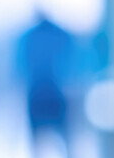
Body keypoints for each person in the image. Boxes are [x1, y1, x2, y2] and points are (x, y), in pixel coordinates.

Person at [16, 12, 76, 140]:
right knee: (62, 137)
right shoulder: (59, 33)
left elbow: (20, 66)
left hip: (40, 92)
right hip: (53, 92)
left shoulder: (30, 36)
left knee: (41, 137)